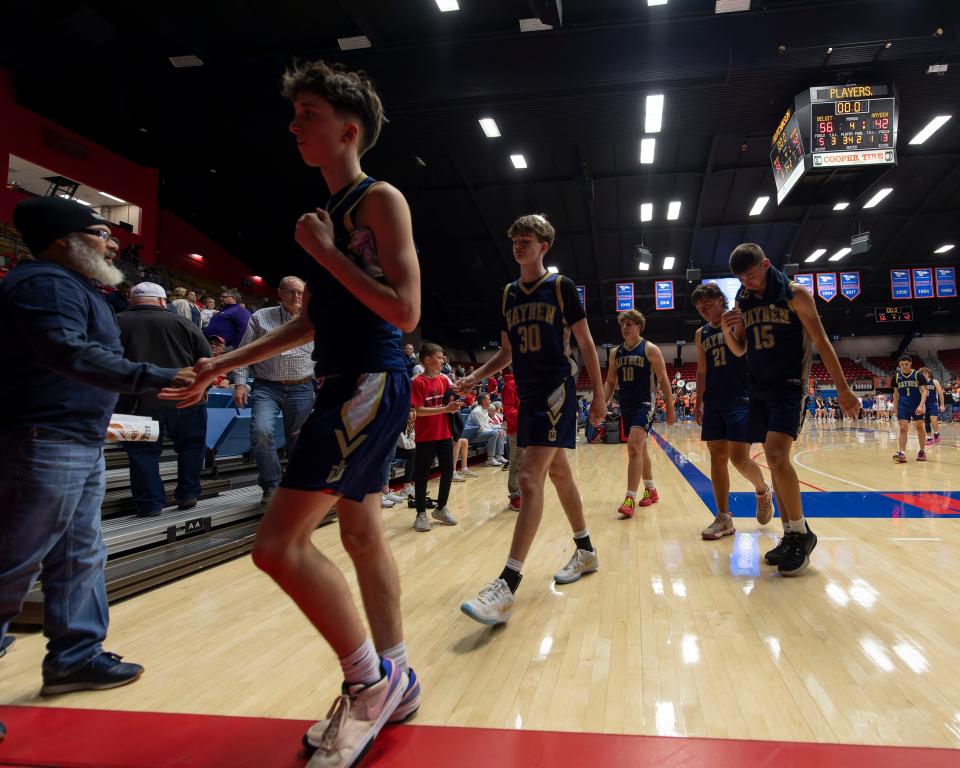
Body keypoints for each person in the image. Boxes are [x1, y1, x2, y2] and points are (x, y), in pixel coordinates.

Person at [159, 59, 420, 767]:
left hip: (368, 380)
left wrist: (329, 255)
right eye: (295, 113)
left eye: (307, 113)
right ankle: (400, 672)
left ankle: (370, 683)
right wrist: (222, 362)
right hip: (346, 374)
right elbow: (311, 326)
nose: (293, 124)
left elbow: (404, 310)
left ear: (348, 129)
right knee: (362, 534)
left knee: (275, 547)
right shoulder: (328, 220)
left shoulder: (378, 200)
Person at [0, 197, 194, 695]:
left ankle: (75, 657)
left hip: (73, 438)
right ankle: (75, 654)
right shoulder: (45, 282)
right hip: (43, 439)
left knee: (80, 555)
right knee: (13, 562)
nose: (111, 243)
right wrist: (158, 376)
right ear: (66, 241)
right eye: (100, 233)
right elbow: (68, 353)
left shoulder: (74, 286)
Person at [457, 213, 606, 626]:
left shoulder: (560, 287)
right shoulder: (508, 294)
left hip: (557, 389)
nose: (519, 245)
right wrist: (474, 376)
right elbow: (506, 353)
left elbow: (586, 344)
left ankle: (507, 584)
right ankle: (586, 550)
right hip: (528, 394)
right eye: (515, 240)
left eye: (526, 240)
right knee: (559, 476)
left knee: (528, 478)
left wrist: (598, 393)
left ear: (544, 246)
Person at [722, 243, 858, 576]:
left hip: (790, 386)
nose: (747, 281)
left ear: (766, 264)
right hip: (759, 388)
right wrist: (728, 329)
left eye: (751, 275)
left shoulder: (795, 294)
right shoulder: (743, 299)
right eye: (741, 277)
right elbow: (740, 349)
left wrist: (843, 389)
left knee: (778, 454)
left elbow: (822, 341)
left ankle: (802, 533)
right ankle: (790, 533)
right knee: (772, 459)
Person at [116, 282, 212, 516]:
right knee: (190, 448)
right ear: (162, 301)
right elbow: (207, 360)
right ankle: (188, 494)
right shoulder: (184, 322)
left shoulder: (115, 322)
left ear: (131, 300)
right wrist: (203, 387)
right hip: (185, 399)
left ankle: (149, 503)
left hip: (133, 403)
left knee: (140, 453)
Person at [690, 282, 773, 540]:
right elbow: (702, 369)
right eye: (699, 306)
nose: (703, 308)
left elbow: (747, 352)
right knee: (716, 458)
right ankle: (724, 517)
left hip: (741, 396)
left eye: (707, 303)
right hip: (714, 400)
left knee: (739, 458)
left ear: (720, 301)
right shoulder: (700, 333)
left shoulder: (738, 320)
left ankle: (762, 490)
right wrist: (698, 400)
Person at [232, 276, 316, 506]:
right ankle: (271, 484)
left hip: (302, 386)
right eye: (291, 292)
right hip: (266, 386)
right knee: (261, 432)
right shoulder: (260, 317)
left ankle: (296, 487)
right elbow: (244, 352)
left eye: (300, 293)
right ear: (279, 293)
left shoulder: (314, 319)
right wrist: (240, 383)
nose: (296, 297)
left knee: (298, 441)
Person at [602, 310, 676, 517]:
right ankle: (651, 490)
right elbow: (609, 382)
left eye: (629, 324)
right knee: (640, 449)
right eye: (622, 324)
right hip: (626, 405)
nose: (624, 328)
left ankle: (629, 498)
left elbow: (663, 380)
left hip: (645, 403)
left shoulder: (650, 349)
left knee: (634, 447)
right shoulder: (616, 352)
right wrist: (601, 403)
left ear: (638, 327)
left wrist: (670, 409)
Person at [410, 343, 461, 531]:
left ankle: (441, 508)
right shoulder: (417, 382)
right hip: (425, 436)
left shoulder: (445, 380)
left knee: (448, 471)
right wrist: (445, 409)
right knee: (422, 475)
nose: (443, 360)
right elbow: (419, 411)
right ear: (427, 360)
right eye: (439, 357)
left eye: (443, 357)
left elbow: (452, 398)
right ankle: (421, 514)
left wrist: (455, 404)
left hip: (445, 434)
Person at [892, 355, 928, 462]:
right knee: (903, 428)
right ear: (899, 365)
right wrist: (895, 408)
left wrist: (921, 405)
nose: (904, 366)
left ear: (910, 364)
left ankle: (922, 451)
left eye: (906, 364)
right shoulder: (896, 377)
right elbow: (895, 394)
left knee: (919, 427)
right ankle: (902, 453)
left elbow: (924, 391)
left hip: (916, 404)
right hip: (903, 405)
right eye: (902, 364)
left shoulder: (918, 375)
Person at [463, 392, 506, 466]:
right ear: (483, 401)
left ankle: (499, 456)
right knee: (494, 433)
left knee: (500, 431)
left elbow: (487, 425)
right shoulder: (477, 412)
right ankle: (490, 459)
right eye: (488, 399)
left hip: (480, 433)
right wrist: (495, 431)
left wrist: (498, 427)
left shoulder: (485, 410)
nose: (490, 401)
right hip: (472, 436)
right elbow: (481, 429)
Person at [501, 367, 523, 511]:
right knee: (516, 462)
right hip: (517, 430)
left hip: (528, 430)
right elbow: (509, 409)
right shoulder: (510, 385)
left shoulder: (526, 383)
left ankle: (524, 493)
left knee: (527, 463)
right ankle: (515, 496)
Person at [917, 367, 944, 445]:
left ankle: (936, 433)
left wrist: (942, 405)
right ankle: (929, 438)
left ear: (927, 374)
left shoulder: (934, 381)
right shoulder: (920, 384)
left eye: (923, 374)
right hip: (924, 405)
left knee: (933, 420)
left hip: (933, 404)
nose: (922, 376)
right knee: (926, 422)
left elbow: (940, 394)